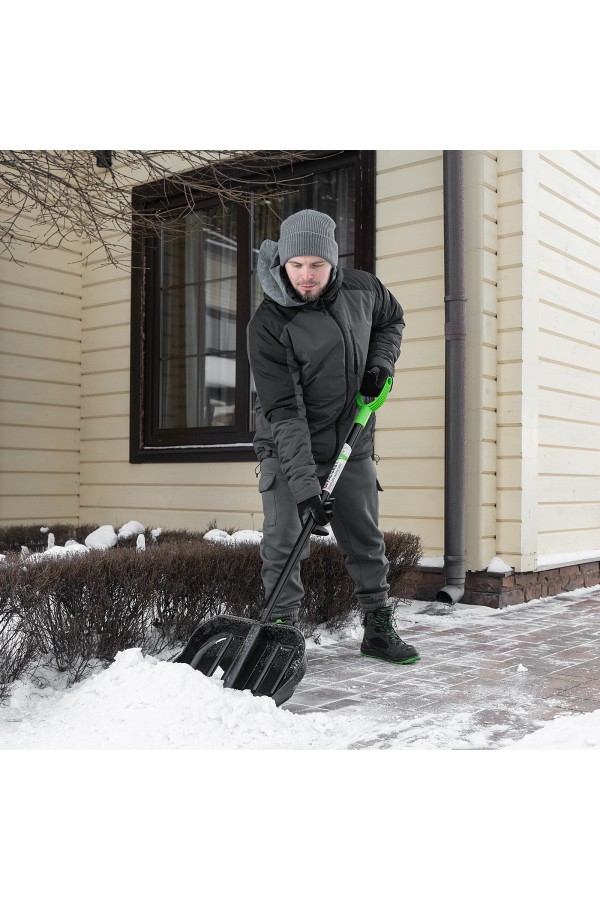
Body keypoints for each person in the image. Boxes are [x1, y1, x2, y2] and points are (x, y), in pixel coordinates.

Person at [247, 209, 420, 664]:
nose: (306, 276)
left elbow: (392, 321)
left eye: (316, 266)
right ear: (283, 261)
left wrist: (380, 365)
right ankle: (278, 636)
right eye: (296, 265)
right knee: (285, 541)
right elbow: (285, 411)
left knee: (366, 540)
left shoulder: (364, 290)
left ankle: (377, 628)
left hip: (353, 438)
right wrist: (306, 488)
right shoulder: (268, 324)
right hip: (288, 448)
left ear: (333, 261)